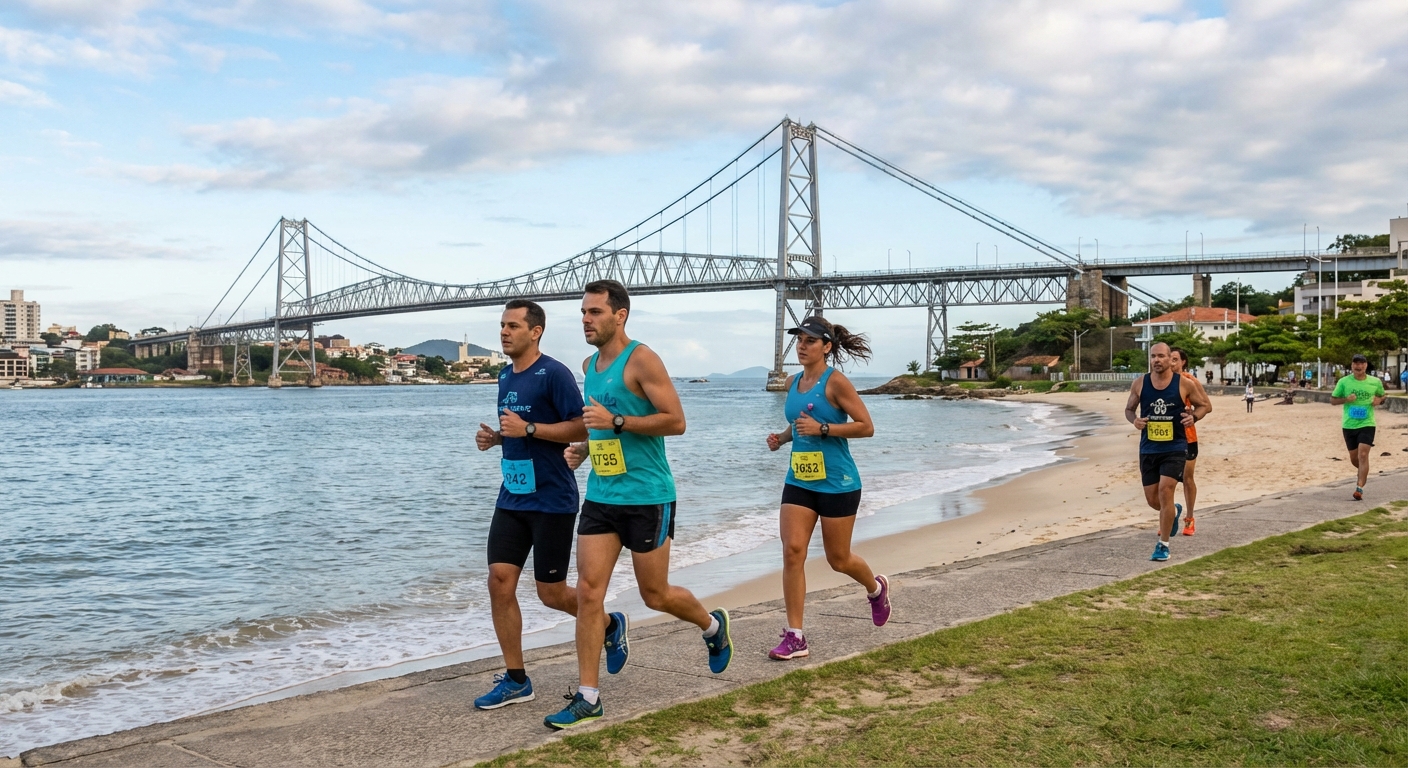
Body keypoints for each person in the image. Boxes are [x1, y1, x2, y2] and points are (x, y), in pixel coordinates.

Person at [547, 279, 730, 730]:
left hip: (648, 496)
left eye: (594, 312)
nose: (586, 320)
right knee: (590, 592)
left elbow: (676, 421)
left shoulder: (642, 359)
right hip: (602, 497)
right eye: (583, 313)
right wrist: (586, 448)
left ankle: (712, 626)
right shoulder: (588, 366)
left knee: (656, 594)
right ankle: (588, 696)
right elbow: (600, 428)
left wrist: (618, 420)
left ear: (620, 315)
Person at [472, 300, 588, 710]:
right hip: (512, 495)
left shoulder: (554, 373)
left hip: (552, 499)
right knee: (499, 581)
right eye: (502, 325)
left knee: (551, 594)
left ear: (535, 331)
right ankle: (517, 679)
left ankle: (607, 625)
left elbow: (579, 425)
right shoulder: (505, 375)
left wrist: (529, 428)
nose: (504, 332)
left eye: (513, 325)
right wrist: (498, 439)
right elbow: (519, 432)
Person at [763, 316, 889, 661]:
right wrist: (783, 437)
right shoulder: (792, 382)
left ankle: (875, 589)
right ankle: (795, 635)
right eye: (799, 340)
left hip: (837, 482)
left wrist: (824, 429)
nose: (802, 346)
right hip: (799, 480)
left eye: (810, 341)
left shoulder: (837, 383)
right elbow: (798, 424)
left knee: (839, 558)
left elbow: (866, 427)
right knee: (792, 551)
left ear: (827, 347)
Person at [1124, 342, 1211, 562]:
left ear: (1170, 358)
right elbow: (1129, 409)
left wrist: (1194, 417)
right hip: (1149, 448)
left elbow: (1204, 405)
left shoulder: (1184, 383)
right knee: (1154, 501)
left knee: (1166, 490)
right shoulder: (1140, 383)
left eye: (1161, 356)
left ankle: (1163, 545)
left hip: (1175, 447)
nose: (1157, 360)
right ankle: (1174, 510)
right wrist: (1135, 420)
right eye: (1153, 356)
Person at [1331, 353, 1387, 501]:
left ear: (1366, 365)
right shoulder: (1344, 382)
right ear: (1352, 366)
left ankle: (1359, 487)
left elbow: (1383, 396)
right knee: (1354, 458)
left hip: (1367, 423)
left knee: (1363, 454)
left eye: (1361, 363)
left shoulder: (1375, 382)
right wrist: (1346, 399)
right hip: (1349, 425)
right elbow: (1332, 400)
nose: (1358, 366)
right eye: (1356, 363)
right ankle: (1363, 470)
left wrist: (1379, 400)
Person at [1169, 348, 1212, 537]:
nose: (1170, 363)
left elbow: (1207, 406)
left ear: (1183, 362)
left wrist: (1193, 416)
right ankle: (1168, 517)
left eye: (1175, 359)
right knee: (1166, 482)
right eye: (1168, 358)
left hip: (1187, 437)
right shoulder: (1160, 380)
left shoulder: (1189, 381)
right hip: (1165, 438)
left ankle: (1190, 517)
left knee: (1187, 478)